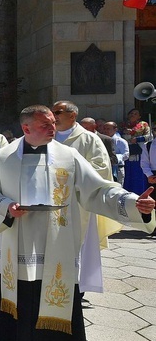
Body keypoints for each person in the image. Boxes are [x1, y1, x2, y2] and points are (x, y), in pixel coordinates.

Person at [0, 105, 155, 341]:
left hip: (54, 243)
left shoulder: (68, 156)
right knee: (20, 296)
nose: (53, 129)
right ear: (26, 128)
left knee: (51, 292)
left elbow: (98, 190)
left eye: (53, 123)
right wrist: (5, 206)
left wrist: (133, 203)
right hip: (17, 241)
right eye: (46, 125)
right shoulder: (3, 156)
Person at [52, 101, 117, 295]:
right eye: (52, 111)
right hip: (51, 200)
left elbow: (101, 167)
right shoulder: (47, 135)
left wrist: (70, 178)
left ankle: (76, 286)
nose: (53, 115)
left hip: (79, 202)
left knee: (77, 244)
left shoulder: (89, 139)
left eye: (58, 112)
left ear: (72, 115)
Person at [122, 108, 151, 194]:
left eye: (135, 114)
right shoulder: (123, 125)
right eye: (131, 113)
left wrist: (137, 139)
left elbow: (149, 136)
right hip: (127, 152)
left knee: (138, 174)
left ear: (139, 116)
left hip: (139, 152)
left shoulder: (144, 125)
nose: (133, 115)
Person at [102, 121, 128, 186]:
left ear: (115, 129)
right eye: (104, 129)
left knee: (118, 187)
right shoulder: (101, 140)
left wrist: (113, 158)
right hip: (105, 168)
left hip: (117, 168)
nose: (106, 131)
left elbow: (126, 154)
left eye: (108, 129)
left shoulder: (121, 141)